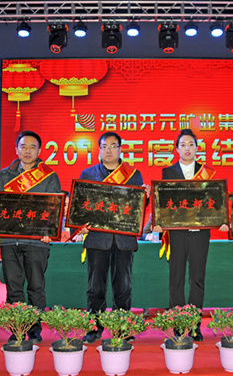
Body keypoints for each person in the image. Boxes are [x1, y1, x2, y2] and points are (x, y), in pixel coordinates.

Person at [153, 129, 229, 342]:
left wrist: (222, 219)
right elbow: (163, 201)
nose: (187, 148)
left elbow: (215, 202)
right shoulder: (168, 172)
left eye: (191, 144)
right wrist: (158, 222)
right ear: (176, 149)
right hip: (176, 233)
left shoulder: (207, 173)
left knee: (197, 277)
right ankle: (179, 323)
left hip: (199, 233)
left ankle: (195, 325)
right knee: (176, 277)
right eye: (183, 144)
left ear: (197, 148)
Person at [76, 132, 149, 344]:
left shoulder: (133, 175)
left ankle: (121, 328)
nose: (108, 150)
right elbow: (81, 206)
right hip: (97, 239)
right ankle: (94, 327)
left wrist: (145, 197)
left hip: (124, 239)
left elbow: (136, 208)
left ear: (120, 149)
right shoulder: (88, 174)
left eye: (113, 146)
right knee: (95, 287)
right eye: (104, 146)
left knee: (123, 287)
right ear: (99, 149)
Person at [0, 130, 61, 343]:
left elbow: (54, 208)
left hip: (37, 241)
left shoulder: (49, 176)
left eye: (32, 147)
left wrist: (50, 232)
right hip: (9, 240)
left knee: (36, 286)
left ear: (39, 151)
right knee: (13, 287)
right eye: (23, 146)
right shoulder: (4, 176)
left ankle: (34, 329)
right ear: (16, 149)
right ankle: (17, 328)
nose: (27, 151)